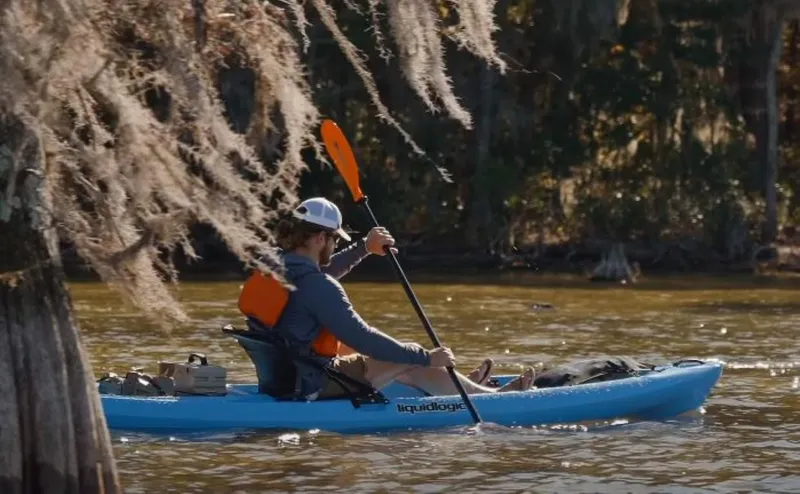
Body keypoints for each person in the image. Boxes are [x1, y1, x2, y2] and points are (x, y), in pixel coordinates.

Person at [239, 196, 533, 400]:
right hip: (311, 384)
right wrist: (426, 356)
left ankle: (458, 387)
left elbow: (319, 275)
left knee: (393, 357)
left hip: (280, 381)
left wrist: (363, 248)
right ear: (319, 240)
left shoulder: (274, 266)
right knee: (409, 357)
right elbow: (366, 339)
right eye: (334, 239)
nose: (335, 244)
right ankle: (489, 399)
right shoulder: (320, 287)